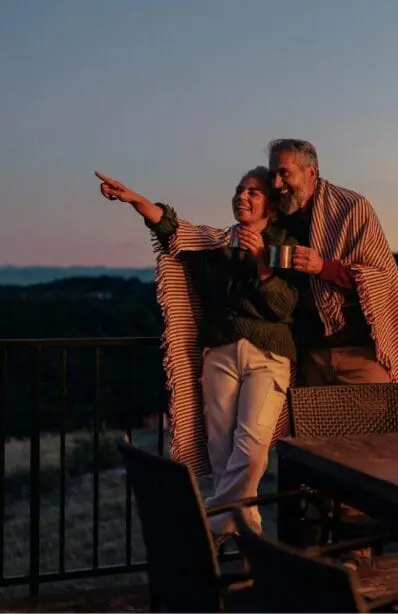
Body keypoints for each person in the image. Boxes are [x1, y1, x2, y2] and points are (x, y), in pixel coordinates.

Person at [95, 167, 298, 538]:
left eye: (253, 192)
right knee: (222, 456)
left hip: (267, 357)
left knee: (251, 451)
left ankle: (204, 527)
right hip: (219, 354)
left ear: (270, 204)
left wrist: (261, 263)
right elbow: (173, 230)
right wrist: (135, 200)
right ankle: (247, 557)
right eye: (239, 190)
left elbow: (285, 307)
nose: (243, 197)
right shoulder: (214, 242)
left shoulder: (285, 246)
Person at [267, 138, 398, 412]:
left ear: (311, 172)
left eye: (284, 173)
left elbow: (380, 277)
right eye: (272, 174)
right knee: (313, 449)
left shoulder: (352, 209)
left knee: (374, 446)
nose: (276, 183)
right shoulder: (276, 218)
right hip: (309, 358)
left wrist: (324, 267)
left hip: (362, 356)